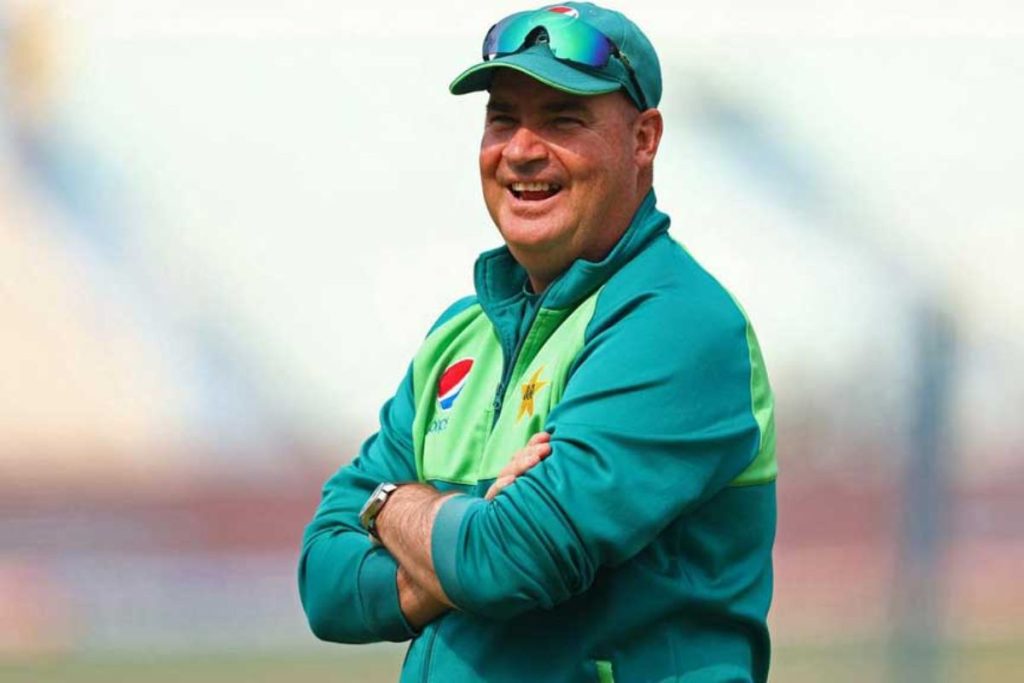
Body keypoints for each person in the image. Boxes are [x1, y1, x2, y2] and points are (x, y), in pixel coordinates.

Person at [298, 3, 777, 681]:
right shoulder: (460, 334)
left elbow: (511, 562)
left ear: (643, 139)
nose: (521, 149)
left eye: (562, 119)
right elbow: (323, 579)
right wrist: (468, 538)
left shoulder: (678, 324)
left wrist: (388, 505)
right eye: (503, 118)